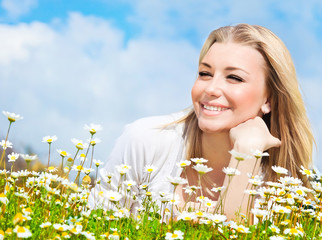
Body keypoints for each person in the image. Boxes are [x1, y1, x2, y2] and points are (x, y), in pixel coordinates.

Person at [89, 24, 314, 219]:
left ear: (269, 99)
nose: (211, 88)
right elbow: (94, 225)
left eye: (234, 78)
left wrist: (246, 154)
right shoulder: (147, 140)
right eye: (205, 73)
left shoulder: (284, 186)